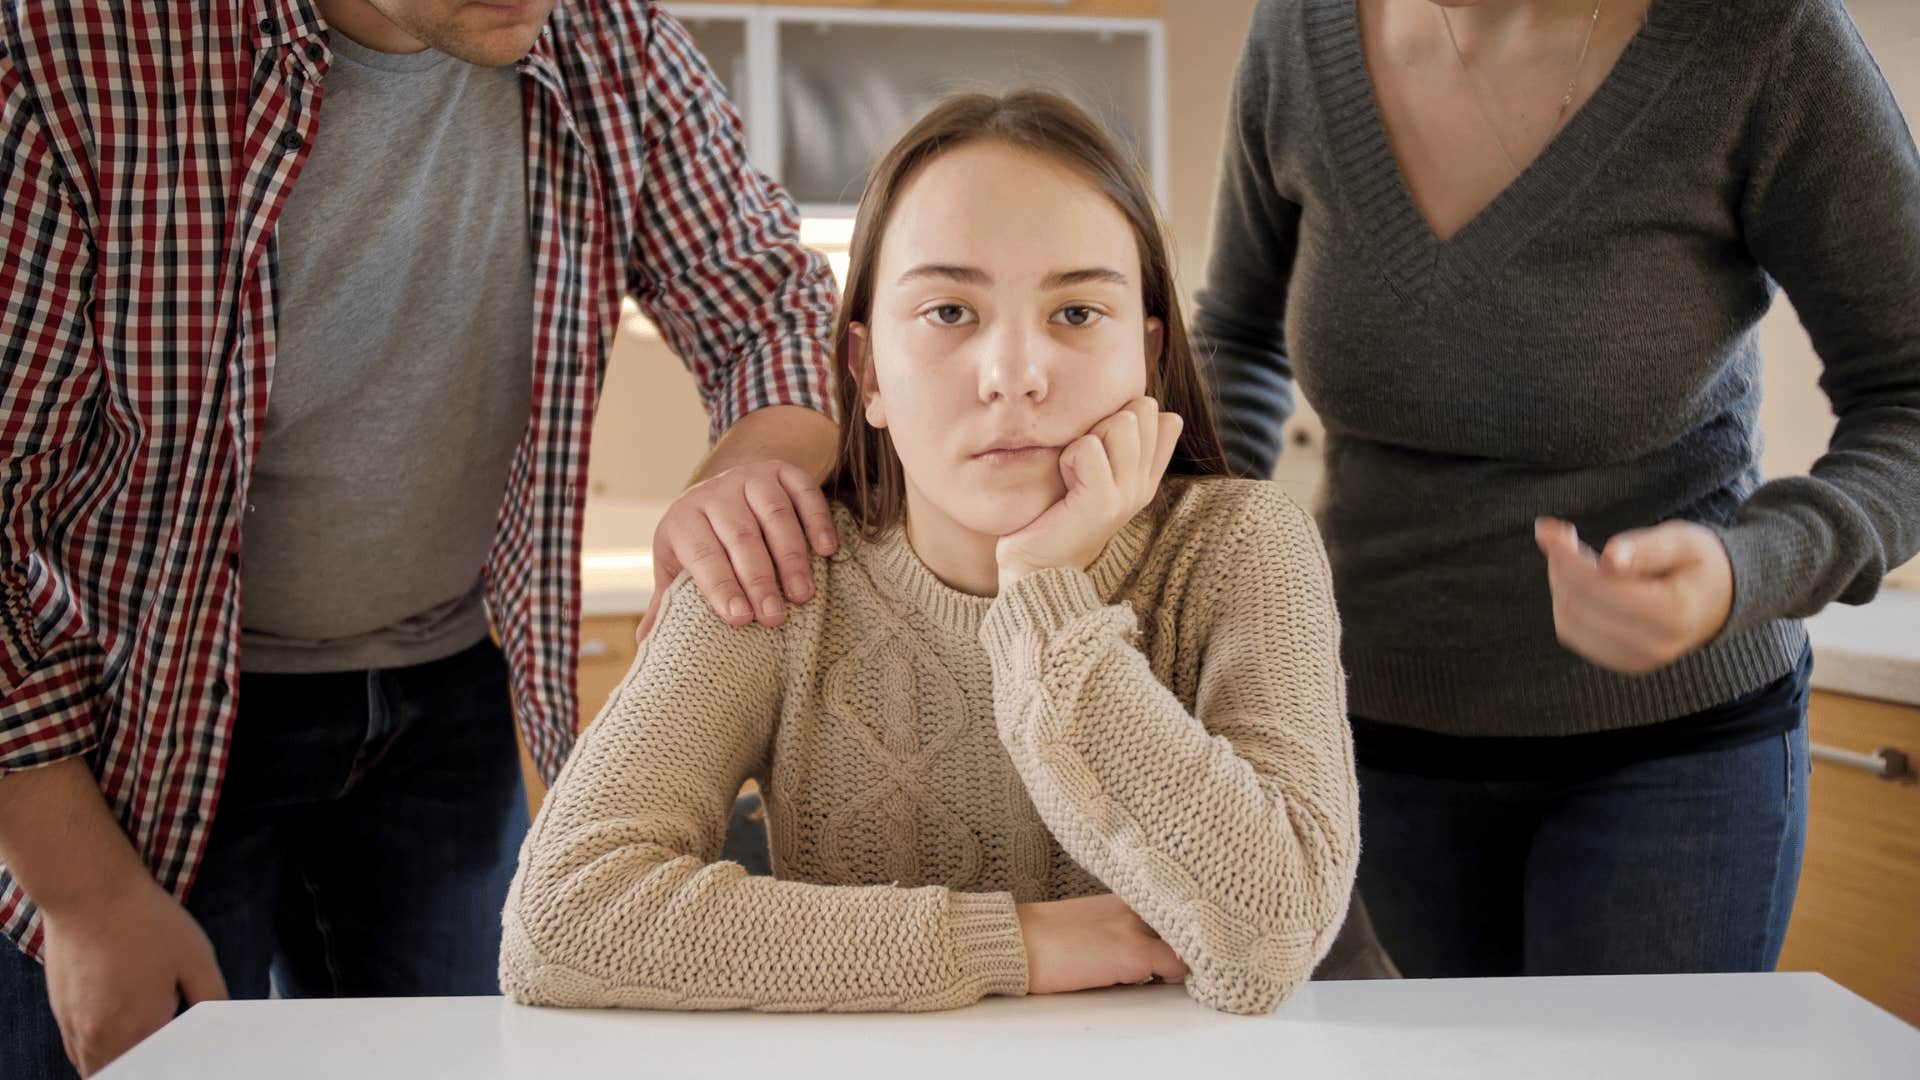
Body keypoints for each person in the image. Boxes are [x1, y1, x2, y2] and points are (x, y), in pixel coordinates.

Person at [0, 1, 846, 1076]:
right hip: (124, 738)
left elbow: (768, 302)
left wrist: (741, 477)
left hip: (444, 702)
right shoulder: (72, 51)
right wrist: (85, 899)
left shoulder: (607, 37)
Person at [498, 90, 1360, 1016]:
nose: (1014, 375)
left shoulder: (1241, 547)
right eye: (950, 311)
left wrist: (1046, 597)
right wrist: (1011, 943)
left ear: (1148, 360)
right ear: (867, 373)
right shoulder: (780, 564)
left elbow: (1274, 935)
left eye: (1076, 313)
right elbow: (560, 920)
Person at [1193, 0, 1920, 977]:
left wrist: (1746, 568)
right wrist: (1195, 551)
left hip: (1676, 761)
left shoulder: (1763, 38)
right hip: (1355, 750)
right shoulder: (1297, 32)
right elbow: (1238, 336)